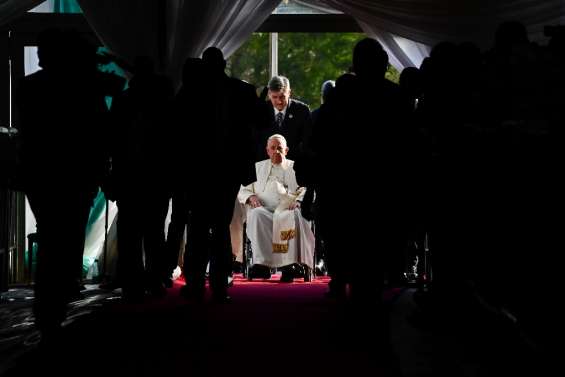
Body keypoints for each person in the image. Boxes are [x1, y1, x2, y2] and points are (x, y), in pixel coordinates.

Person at [179, 47, 258, 302]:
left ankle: (195, 281)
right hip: (227, 169)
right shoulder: (240, 90)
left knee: (199, 224)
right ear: (223, 64)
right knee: (220, 225)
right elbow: (262, 119)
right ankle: (219, 282)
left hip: (199, 169)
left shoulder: (190, 91)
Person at [231, 134, 315, 282]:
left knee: (290, 217)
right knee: (256, 214)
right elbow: (243, 188)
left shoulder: (295, 166)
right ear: (267, 151)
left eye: (280, 148)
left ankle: (289, 265)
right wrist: (251, 197)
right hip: (265, 210)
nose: (276, 151)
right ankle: (262, 265)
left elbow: (307, 188)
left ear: (286, 150)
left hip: (288, 209)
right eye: (273, 148)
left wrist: (298, 201)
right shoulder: (258, 167)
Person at [256, 76, 312, 161]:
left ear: (289, 93)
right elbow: (256, 143)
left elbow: (308, 143)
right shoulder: (260, 111)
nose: (279, 101)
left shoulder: (302, 111)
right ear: (269, 94)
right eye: (275, 97)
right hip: (266, 169)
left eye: (282, 97)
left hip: (294, 167)